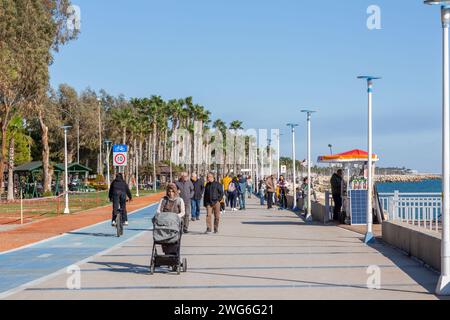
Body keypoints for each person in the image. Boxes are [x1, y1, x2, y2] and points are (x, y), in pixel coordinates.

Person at [155, 183, 186, 254]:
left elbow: (183, 212)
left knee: (174, 239)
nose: (171, 193)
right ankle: (166, 253)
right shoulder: (163, 200)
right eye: (169, 191)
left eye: (172, 191)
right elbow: (158, 210)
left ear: (175, 191)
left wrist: (176, 217)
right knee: (164, 238)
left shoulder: (179, 200)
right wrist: (161, 216)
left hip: (175, 222)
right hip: (165, 222)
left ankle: (174, 253)